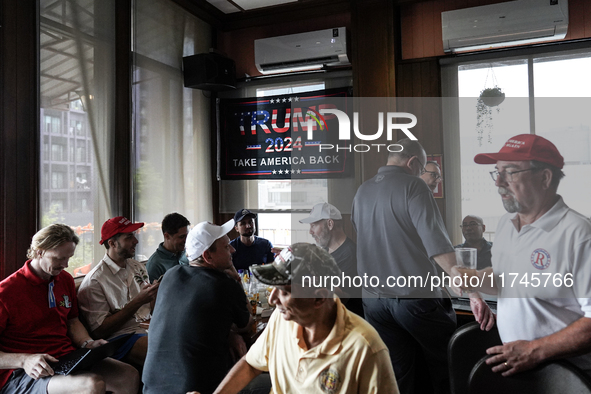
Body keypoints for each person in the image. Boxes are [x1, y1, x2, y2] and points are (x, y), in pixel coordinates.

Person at [351, 138, 493, 394]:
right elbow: (439, 247)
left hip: (373, 302)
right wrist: (473, 293)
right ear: (413, 162)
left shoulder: (362, 190)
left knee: (398, 373)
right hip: (413, 300)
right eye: (423, 167)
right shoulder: (414, 186)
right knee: (448, 363)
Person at [454, 134, 591, 377]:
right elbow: (504, 280)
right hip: (520, 368)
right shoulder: (507, 225)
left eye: (511, 172)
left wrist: (534, 350)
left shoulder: (579, 234)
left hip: (570, 376)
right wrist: (473, 278)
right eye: (497, 172)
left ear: (545, 178)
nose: (499, 182)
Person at [190, 243, 398, 394]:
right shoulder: (282, 321)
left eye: (285, 291)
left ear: (318, 297)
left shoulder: (365, 348)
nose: (272, 300)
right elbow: (252, 364)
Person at [0, 224, 139, 394]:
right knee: (91, 385)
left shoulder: (64, 279)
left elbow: (72, 321)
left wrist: (88, 343)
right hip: (26, 371)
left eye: (69, 258)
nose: (65, 265)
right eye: (59, 258)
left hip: (65, 357)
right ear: (39, 251)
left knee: (128, 374)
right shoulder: (7, 292)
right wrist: (24, 360)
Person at [143, 220, 252, 394]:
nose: (233, 250)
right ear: (208, 256)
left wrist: (227, 334)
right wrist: (237, 281)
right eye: (226, 247)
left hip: (151, 388)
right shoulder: (224, 284)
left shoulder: (170, 275)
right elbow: (246, 325)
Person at [78, 216, 159, 368]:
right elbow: (99, 332)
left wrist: (157, 294)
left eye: (134, 235)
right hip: (119, 339)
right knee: (164, 352)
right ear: (112, 243)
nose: (136, 241)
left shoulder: (137, 267)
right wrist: (138, 301)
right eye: (129, 237)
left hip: (147, 328)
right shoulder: (95, 281)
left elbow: (149, 309)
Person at [299, 202, 364, 317]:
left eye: (313, 225)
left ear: (330, 224)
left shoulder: (349, 254)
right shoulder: (325, 250)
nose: (310, 232)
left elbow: (343, 297)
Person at [146, 212, 190, 282]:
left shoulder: (189, 253)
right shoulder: (154, 265)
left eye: (187, 236)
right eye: (182, 237)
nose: (186, 240)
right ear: (167, 236)